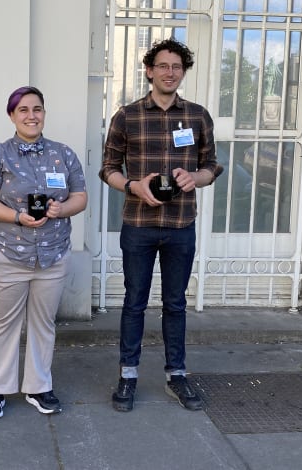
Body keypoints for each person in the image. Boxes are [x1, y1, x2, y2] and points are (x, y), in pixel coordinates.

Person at [99, 38, 222, 412]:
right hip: (139, 224)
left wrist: (195, 179)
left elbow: (212, 165)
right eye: (163, 66)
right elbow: (107, 169)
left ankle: (177, 376)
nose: (170, 73)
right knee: (134, 303)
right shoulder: (127, 116)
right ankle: (128, 376)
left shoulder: (198, 116)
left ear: (183, 72)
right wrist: (133, 185)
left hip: (180, 224)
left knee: (175, 304)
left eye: (177, 67)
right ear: (149, 70)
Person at [0, 86, 87, 419]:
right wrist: (17, 217)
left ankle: (38, 386)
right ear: (12, 115)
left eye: (37, 109)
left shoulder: (63, 154)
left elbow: (80, 196)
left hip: (52, 254)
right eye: (23, 110)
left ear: (44, 114)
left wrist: (59, 210)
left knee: (43, 322)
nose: (31, 115)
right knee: (2, 323)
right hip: (9, 252)